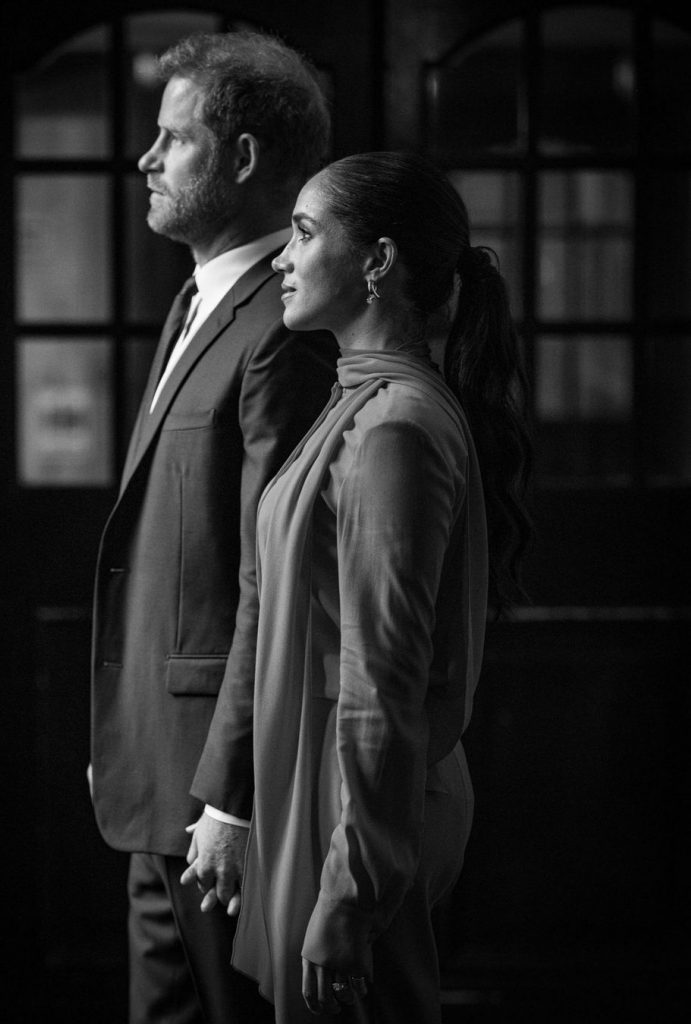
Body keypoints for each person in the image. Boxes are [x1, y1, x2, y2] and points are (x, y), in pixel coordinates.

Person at [224, 151, 533, 1023]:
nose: (282, 259)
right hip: (343, 785)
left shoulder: (394, 426)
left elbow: (383, 682)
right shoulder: (358, 404)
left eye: (303, 232)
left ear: (377, 261)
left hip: (365, 807)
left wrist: (352, 891)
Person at [89, 30, 336, 1024]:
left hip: (219, 790)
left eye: (173, 138)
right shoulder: (197, 300)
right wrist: (123, 733)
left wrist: (232, 795)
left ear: (240, 158)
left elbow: (276, 578)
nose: (145, 159)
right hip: (156, 762)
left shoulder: (285, 328)